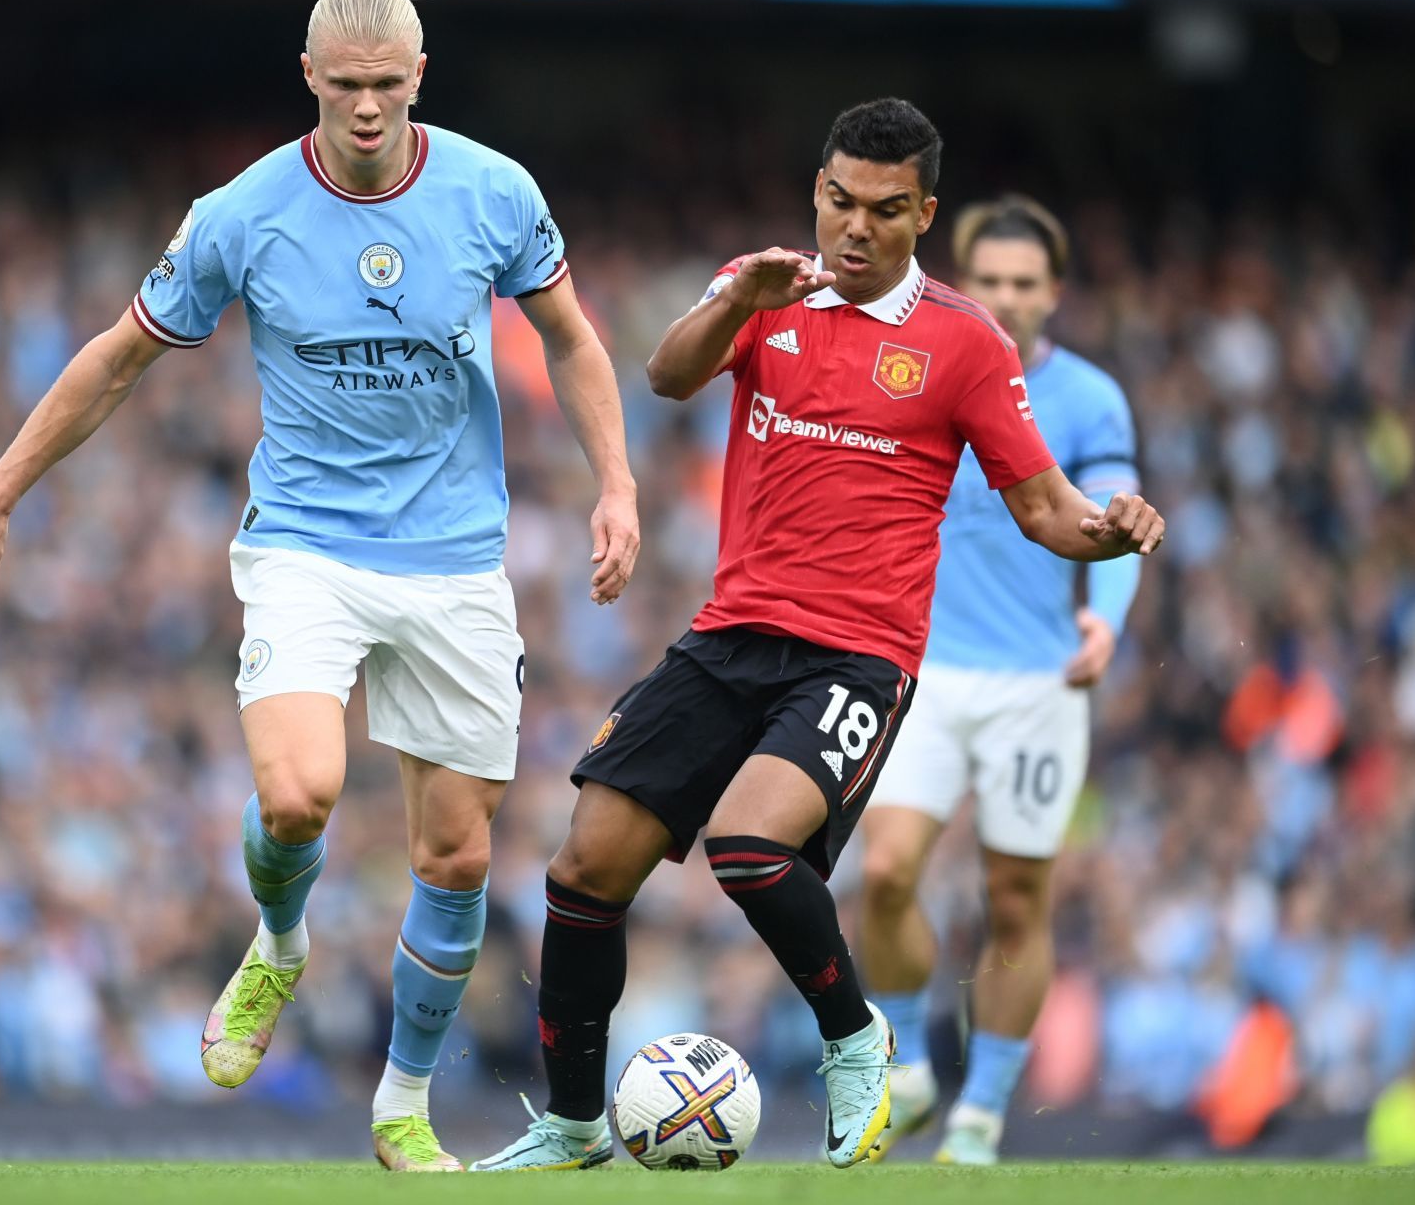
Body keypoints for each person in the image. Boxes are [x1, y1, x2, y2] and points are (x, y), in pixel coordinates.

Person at [0, 0, 640, 1171]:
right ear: (308, 76)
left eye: (387, 86)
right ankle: (282, 936)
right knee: (301, 792)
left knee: (456, 855)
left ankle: (403, 1102)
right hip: (306, 542)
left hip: (457, 557)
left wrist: (614, 483)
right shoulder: (242, 212)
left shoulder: (494, 192)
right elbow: (114, 361)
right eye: (344, 86)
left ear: (420, 75)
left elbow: (569, 336)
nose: (366, 108)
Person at [471, 99, 1165, 1173]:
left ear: (924, 214)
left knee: (750, 846)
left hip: (858, 654)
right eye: (839, 199)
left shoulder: (966, 341)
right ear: (817, 191)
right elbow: (665, 372)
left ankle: (858, 1037)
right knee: (584, 867)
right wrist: (736, 301)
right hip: (730, 633)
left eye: (885, 210)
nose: (855, 226)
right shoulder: (766, 287)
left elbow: (1043, 507)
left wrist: (1112, 531)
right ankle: (569, 1124)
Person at [858, 196, 1143, 1166]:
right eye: (992, 282)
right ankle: (906, 1066)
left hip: (1037, 679)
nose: (1009, 299)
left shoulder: (1092, 398)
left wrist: (1106, 613)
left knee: (1016, 899)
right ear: (960, 281)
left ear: (1054, 292)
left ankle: (980, 1108)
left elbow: (1109, 517)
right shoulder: (917, 365)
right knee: (886, 868)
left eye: (1027, 284)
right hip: (922, 665)